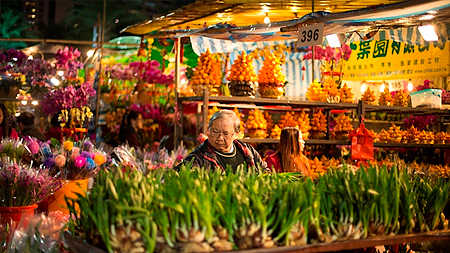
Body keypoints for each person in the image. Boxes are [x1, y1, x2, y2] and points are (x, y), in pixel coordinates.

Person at [176, 109, 267, 173]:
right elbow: (176, 175)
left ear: (236, 133)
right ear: (209, 130)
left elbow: (265, 172)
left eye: (225, 134)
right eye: (215, 132)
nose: (220, 138)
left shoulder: (248, 151)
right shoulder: (199, 157)